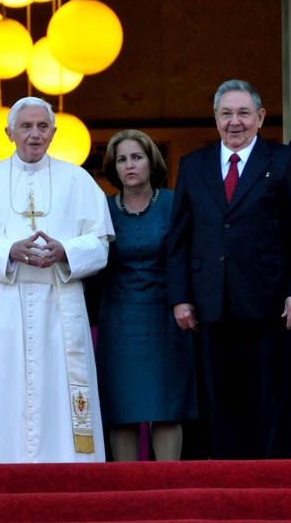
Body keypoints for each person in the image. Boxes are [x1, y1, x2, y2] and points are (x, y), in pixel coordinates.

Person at [0, 96, 115, 464]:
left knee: (60, 390)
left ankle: (70, 467)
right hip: (6, 302)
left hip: (61, 300)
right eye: (26, 126)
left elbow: (100, 245)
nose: (35, 134)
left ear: (54, 132)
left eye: (42, 126)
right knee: (7, 388)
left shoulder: (78, 179)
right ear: (9, 132)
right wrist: (8, 250)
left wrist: (65, 251)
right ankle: (1, 469)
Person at [167, 79, 291, 459]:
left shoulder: (283, 161)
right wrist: (181, 298)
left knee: (269, 398)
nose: (235, 122)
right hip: (210, 305)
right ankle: (225, 485)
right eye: (226, 113)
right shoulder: (193, 165)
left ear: (261, 117)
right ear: (216, 118)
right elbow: (180, 238)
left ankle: (271, 486)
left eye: (243, 113)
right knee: (218, 400)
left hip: (270, 304)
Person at [95, 130, 197, 461]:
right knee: (121, 408)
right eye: (122, 159)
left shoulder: (173, 202)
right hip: (118, 319)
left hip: (167, 316)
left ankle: (168, 491)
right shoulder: (101, 208)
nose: (130, 165)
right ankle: (127, 494)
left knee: (165, 405)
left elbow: (193, 256)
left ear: (151, 162)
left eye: (136, 157)